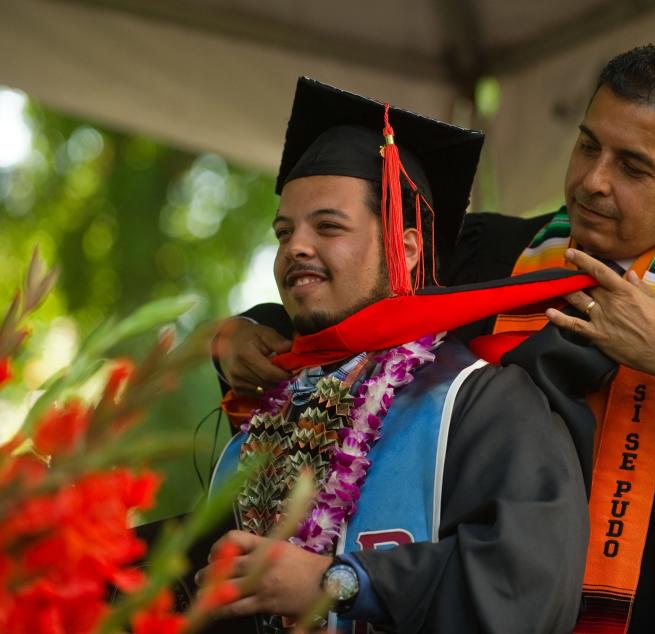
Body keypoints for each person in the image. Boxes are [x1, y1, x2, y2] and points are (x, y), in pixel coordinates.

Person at [216, 47, 655, 634]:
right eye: (587, 145)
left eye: (633, 166)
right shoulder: (491, 258)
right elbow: (363, 298)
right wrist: (260, 327)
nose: (591, 182)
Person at [198, 77, 589, 633]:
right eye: (284, 232)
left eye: (327, 226)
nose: (296, 247)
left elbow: (528, 583)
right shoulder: (265, 413)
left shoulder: (480, 402)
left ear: (403, 248)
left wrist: (338, 581)